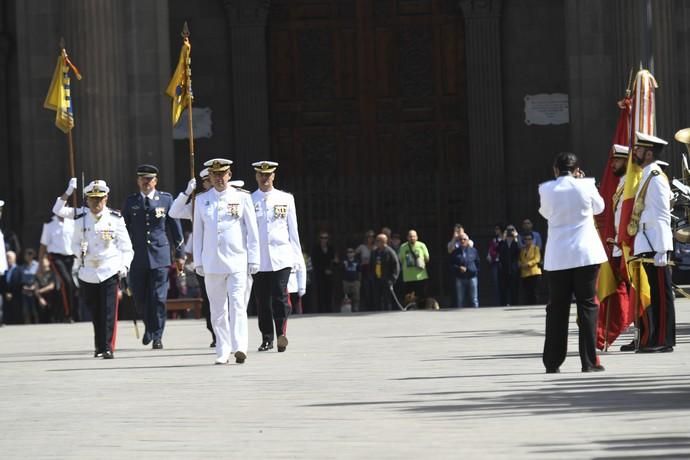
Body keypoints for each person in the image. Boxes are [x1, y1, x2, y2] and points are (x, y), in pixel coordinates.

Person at [539, 152, 607, 373]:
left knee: (557, 309)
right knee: (587, 306)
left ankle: (552, 362)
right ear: (577, 170)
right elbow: (600, 208)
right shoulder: (586, 186)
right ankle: (588, 361)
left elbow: (546, 213)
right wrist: (586, 183)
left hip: (558, 257)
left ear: (555, 169)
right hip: (585, 254)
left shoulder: (546, 188)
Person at [193, 158, 259, 365]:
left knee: (238, 304)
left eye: (223, 174)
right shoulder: (202, 200)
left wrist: (253, 258)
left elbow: (252, 230)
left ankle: (240, 346)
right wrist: (198, 261)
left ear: (229, 175)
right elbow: (198, 234)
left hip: (237, 259)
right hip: (212, 262)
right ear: (210, 177)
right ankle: (223, 349)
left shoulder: (242, 197)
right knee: (217, 308)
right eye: (215, 175)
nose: (219, 178)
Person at [122, 164, 185, 350]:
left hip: (160, 256)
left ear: (155, 181)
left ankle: (157, 335)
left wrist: (180, 254)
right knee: (140, 297)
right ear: (138, 181)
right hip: (137, 256)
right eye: (143, 179)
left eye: (149, 179)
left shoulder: (166, 200)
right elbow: (122, 229)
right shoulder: (131, 201)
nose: (146, 182)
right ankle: (149, 326)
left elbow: (175, 228)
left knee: (158, 297)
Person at [70, 180, 134, 359]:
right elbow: (73, 244)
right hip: (89, 272)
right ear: (87, 200)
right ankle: (99, 346)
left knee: (107, 311)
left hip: (109, 270)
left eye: (99, 199)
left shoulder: (115, 218)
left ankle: (107, 347)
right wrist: (79, 250)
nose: (96, 203)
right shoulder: (80, 220)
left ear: (106, 198)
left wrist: (124, 266)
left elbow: (126, 247)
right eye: (92, 199)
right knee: (95, 311)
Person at [628, 132, 675, 353]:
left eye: (638, 149)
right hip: (647, 241)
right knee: (655, 293)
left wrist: (661, 248)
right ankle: (657, 337)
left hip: (656, 243)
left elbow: (663, 215)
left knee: (662, 293)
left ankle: (664, 339)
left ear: (648, 153)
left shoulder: (655, 176)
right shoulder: (647, 174)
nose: (634, 152)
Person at [250, 160, 304, 353]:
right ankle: (266, 338)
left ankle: (281, 334)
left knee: (280, 297)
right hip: (259, 258)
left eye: (268, 175)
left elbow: (293, 230)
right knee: (262, 300)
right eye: (261, 175)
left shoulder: (286, 198)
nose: (265, 178)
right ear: (256, 176)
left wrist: (297, 258)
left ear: (273, 176)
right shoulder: (249, 199)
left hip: (282, 256)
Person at [168, 167, 216, 347]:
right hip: (206, 259)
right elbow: (173, 213)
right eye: (208, 181)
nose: (212, 184)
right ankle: (215, 334)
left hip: (228, 258)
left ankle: (229, 334)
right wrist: (187, 192)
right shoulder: (198, 203)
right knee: (209, 299)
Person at [38, 213, 76, 322]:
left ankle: (64, 313)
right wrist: (40, 263)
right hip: (56, 257)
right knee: (66, 282)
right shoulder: (49, 225)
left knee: (69, 285)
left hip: (70, 257)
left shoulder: (72, 223)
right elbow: (43, 245)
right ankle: (68, 314)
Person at [398, 229, 430, 309]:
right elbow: (401, 259)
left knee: (422, 296)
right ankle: (410, 309)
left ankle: (422, 310)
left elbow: (427, 258)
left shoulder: (421, 245)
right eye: (410, 236)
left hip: (420, 276)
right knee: (408, 296)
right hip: (408, 277)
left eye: (414, 236)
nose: (412, 238)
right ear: (407, 237)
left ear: (417, 237)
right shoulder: (403, 247)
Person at [449, 232, 479, 307]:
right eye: (460, 240)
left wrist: (474, 270)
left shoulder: (473, 251)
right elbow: (451, 264)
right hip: (460, 278)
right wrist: (459, 268)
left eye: (464, 239)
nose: (462, 241)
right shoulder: (455, 252)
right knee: (460, 300)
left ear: (468, 240)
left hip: (472, 277)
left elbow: (477, 262)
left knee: (474, 299)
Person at [371, 233, 400, 310]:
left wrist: (393, 279)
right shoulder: (374, 252)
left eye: (378, 241)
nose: (376, 242)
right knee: (377, 298)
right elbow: (371, 265)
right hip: (377, 279)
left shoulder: (390, 252)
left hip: (387, 279)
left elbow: (396, 266)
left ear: (383, 242)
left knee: (386, 298)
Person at [311, 232, 337, 313]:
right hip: (320, 274)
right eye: (322, 238)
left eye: (325, 238)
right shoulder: (316, 249)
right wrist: (323, 269)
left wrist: (331, 268)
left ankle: (329, 310)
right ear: (319, 239)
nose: (324, 239)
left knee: (329, 292)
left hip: (330, 274)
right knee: (320, 292)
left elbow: (335, 261)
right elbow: (314, 262)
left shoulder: (331, 248)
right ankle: (321, 310)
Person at [498, 225, 520, 306]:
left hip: (514, 268)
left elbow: (520, 250)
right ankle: (504, 303)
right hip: (504, 268)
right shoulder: (503, 242)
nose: (510, 232)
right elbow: (498, 250)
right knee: (503, 288)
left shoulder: (516, 242)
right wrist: (503, 238)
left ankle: (515, 303)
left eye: (512, 230)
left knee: (514, 288)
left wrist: (516, 237)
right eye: (508, 230)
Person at [519, 234, 542, 305]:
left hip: (534, 272)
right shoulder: (522, 250)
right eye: (526, 239)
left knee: (534, 292)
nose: (528, 241)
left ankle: (535, 306)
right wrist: (519, 263)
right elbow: (520, 259)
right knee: (527, 292)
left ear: (532, 240)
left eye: (529, 239)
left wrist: (529, 264)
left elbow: (537, 259)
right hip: (525, 274)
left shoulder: (536, 248)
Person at [355, 230, 375, 311]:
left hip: (374, 269)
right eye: (369, 237)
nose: (370, 238)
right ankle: (367, 306)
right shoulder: (362, 247)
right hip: (365, 269)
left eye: (372, 237)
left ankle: (374, 306)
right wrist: (359, 263)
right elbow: (354, 254)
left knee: (373, 288)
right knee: (366, 288)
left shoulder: (375, 247)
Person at [0, 250, 22, 324]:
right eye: (6, 258)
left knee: (16, 311)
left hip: (16, 295)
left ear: (14, 258)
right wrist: (6, 292)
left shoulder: (19, 270)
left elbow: (19, 282)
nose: (7, 259)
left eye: (9, 258)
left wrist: (12, 293)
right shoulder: (4, 271)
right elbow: (2, 283)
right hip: (5, 295)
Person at [486, 223, 503, 306]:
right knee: (496, 283)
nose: (496, 231)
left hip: (503, 263)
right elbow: (491, 250)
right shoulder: (494, 240)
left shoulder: (505, 239)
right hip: (495, 262)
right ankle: (498, 302)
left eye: (498, 229)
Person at [341, 247, 361, 312]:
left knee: (356, 295)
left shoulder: (357, 261)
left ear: (354, 253)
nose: (350, 253)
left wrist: (359, 280)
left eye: (351, 252)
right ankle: (347, 308)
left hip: (355, 280)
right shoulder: (344, 261)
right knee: (346, 295)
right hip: (346, 280)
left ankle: (356, 308)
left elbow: (359, 270)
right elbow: (340, 270)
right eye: (348, 252)